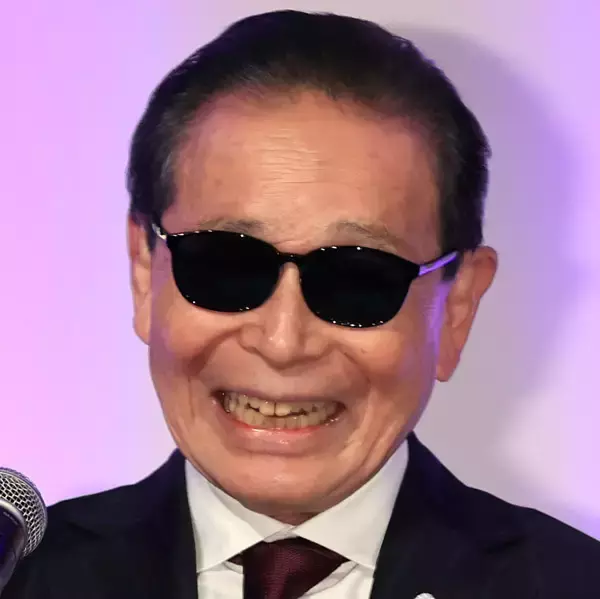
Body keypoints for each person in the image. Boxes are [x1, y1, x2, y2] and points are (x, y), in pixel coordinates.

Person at [6, 9, 600, 599]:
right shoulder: (23, 578)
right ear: (144, 270)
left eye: (358, 279)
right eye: (226, 264)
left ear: (458, 306)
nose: (283, 341)